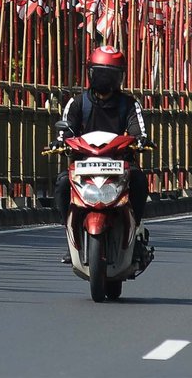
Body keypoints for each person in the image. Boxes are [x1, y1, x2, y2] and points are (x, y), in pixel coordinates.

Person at [53, 45, 149, 263]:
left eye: (111, 75)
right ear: (90, 73)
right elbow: (65, 127)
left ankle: (135, 231)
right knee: (61, 183)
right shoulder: (78, 103)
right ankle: (69, 235)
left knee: (140, 180)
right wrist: (60, 140)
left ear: (120, 78)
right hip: (84, 163)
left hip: (119, 162)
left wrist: (141, 140)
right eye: (101, 73)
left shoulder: (129, 104)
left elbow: (138, 130)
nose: (106, 80)